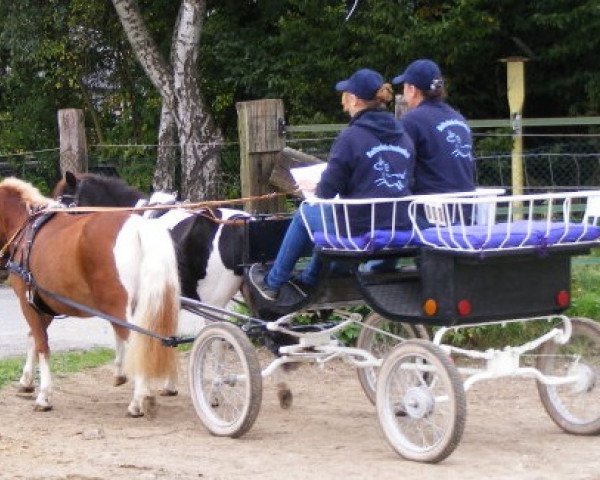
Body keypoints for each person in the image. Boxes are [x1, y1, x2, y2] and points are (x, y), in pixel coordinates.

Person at [250, 68, 416, 303]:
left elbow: (327, 192)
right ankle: (309, 279)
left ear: (355, 99)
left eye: (346, 96)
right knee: (331, 217)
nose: (344, 103)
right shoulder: (404, 137)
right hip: (400, 224)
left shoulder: (351, 137)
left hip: (362, 227)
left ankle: (273, 282)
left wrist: (315, 185)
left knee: (307, 213)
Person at [392, 59, 475, 196]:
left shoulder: (411, 120)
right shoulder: (459, 119)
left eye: (404, 87)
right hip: (465, 208)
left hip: (431, 210)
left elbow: (399, 165)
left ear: (412, 90)